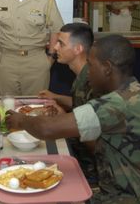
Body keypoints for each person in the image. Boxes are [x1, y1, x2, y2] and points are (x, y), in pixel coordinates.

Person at [6, 35, 140, 204]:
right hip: (134, 196)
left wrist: (20, 121)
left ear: (107, 68)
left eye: (91, 65)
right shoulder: (135, 92)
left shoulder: (119, 104)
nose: (88, 72)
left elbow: (47, 129)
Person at [38, 22, 97, 184]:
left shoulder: (91, 79)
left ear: (78, 49)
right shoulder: (82, 73)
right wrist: (55, 97)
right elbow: (81, 104)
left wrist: (65, 117)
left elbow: (91, 132)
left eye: (61, 44)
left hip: (90, 165)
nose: (55, 48)